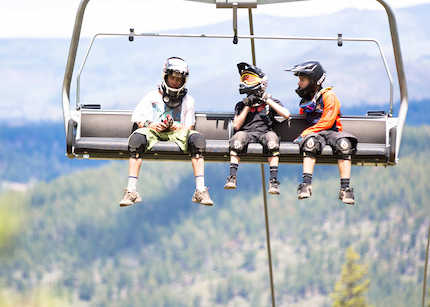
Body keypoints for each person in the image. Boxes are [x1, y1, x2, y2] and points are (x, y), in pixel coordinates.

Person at [120, 57, 212, 207]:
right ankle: (131, 191)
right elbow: (137, 118)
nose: (175, 82)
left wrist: (178, 127)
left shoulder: (189, 101)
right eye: (172, 78)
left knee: (198, 141)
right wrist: (151, 124)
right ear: (166, 77)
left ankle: (200, 190)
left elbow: (189, 129)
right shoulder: (152, 97)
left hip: (177, 133)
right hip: (153, 131)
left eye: (178, 79)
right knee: (136, 140)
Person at [285, 60, 357, 205]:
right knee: (310, 144)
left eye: (302, 80)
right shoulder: (307, 100)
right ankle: (306, 185)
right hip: (316, 134)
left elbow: (328, 121)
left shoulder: (328, 96)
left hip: (331, 132)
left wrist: (305, 133)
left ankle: (345, 189)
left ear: (313, 80)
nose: (299, 83)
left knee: (344, 145)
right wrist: (307, 134)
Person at [224, 62, 291, 194]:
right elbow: (237, 125)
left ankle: (273, 181)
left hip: (265, 133)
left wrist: (266, 100)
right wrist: (248, 105)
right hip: (247, 133)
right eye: (244, 80)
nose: (246, 83)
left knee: (272, 141)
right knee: (237, 139)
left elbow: (286, 114)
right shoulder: (240, 105)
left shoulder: (271, 102)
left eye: (249, 80)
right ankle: (232, 176)